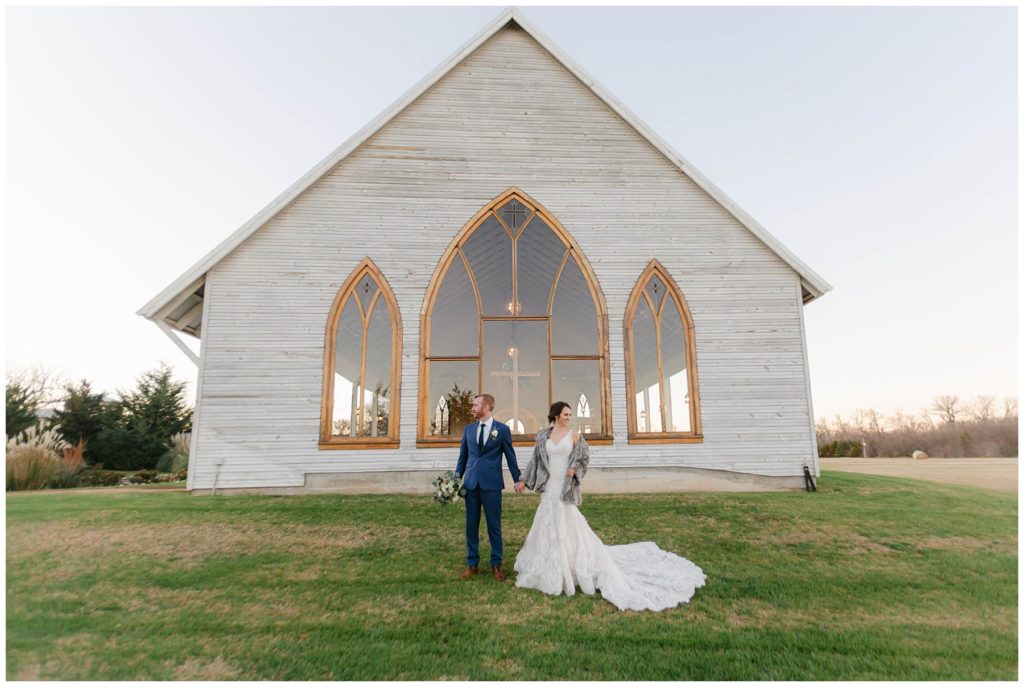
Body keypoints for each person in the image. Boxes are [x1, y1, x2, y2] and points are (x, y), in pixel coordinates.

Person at [514, 401, 707, 611]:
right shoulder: (544, 436)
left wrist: (575, 471)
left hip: (564, 487)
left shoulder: (575, 436)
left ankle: (572, 566)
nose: (569, 417)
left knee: (567, 521)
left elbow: (584, 459)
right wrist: (524, 480)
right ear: (556, 415)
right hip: (550, 486)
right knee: (547, 521)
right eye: (565, 414)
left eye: (570, 414)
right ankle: (546, 565)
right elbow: (535, 461)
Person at [454, 393, 525, 582]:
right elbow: (463, 457)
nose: (472, 408)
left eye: (475, 405)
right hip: (471, 484)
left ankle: (496, 564)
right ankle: (472, 563)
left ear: (486, 407)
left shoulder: (501, 430)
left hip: (492, 484)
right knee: (471, 525)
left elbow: (510, 455)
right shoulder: (469, 430)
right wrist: (456, 478)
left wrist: (518, 478)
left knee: (494, 526)